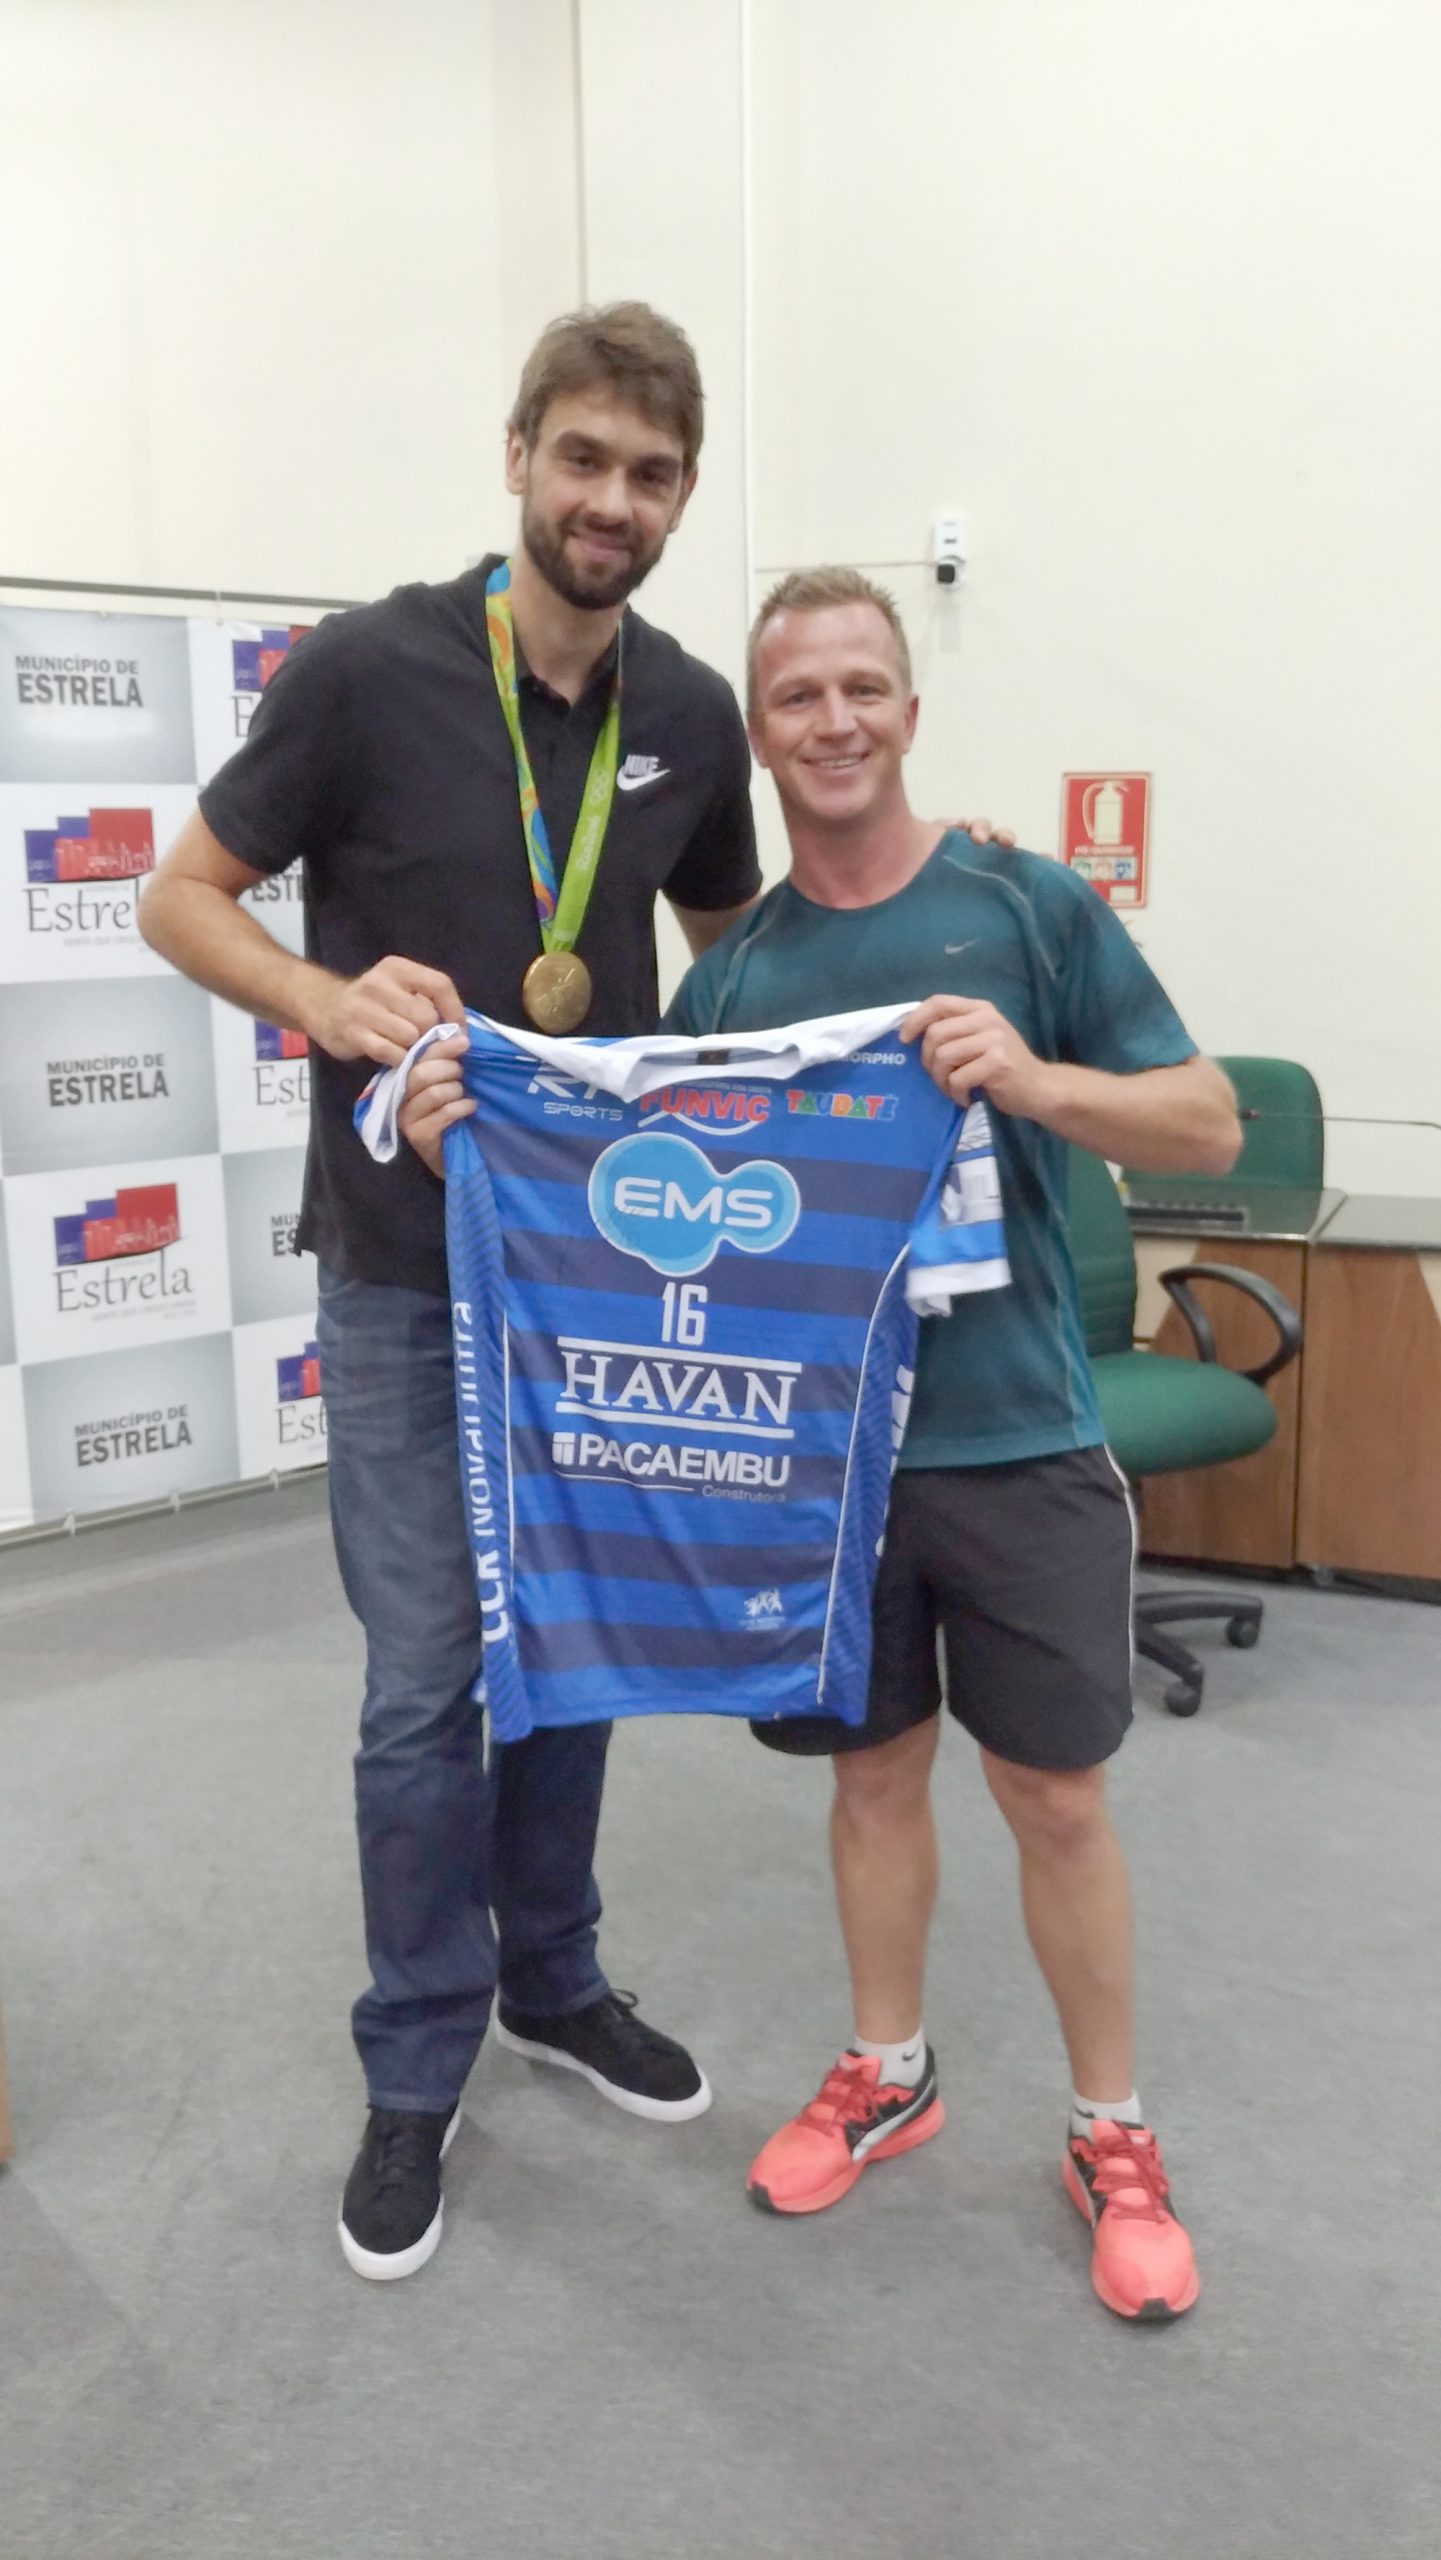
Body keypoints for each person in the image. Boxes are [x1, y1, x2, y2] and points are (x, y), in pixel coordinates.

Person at [138, 302, 765, 2281]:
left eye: (649, 473)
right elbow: (177, 894)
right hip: (408, 1272)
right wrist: (327, 1001)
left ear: (680, 495)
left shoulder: (689, 711)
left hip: (600, 1274)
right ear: (517, 459)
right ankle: (417, 2054)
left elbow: (738, 950)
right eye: (582, 458)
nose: (611, 500)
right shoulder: (367, 669)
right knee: (426, 1676)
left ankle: (550, 1978)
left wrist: (926, 907)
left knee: (569, 1646)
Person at [663, 568, 1242, 2324]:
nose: (833, 720)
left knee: (1053, 1797)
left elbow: (1205, 1120)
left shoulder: (1023, 902)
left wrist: (1036, 1080)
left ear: (908, 712)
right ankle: (888, 2070)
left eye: (863, 687)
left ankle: (1110, 2131)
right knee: (867, 1779)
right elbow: (661, 1199)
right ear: (758, 734)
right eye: (797, 696)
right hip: (829, 1465)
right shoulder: (733, 975)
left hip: (1016, 1441)